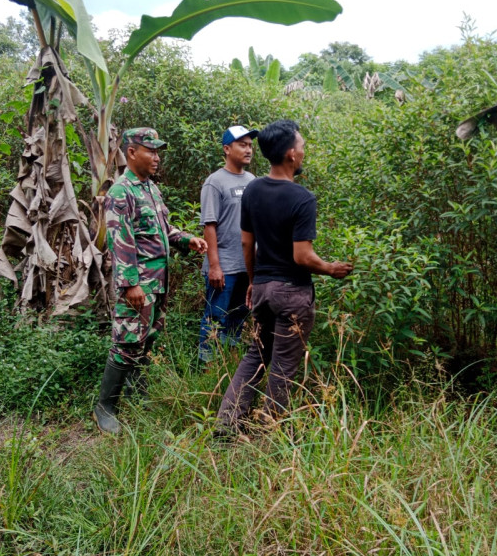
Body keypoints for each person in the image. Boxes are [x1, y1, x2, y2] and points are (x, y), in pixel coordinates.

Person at [215, 119, 353, 434]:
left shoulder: (251, 190)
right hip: (292, 293)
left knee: (256, 355)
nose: (304, 152)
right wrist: (331, 269)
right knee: (283, 367)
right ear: (291, 154)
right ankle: (272, 434)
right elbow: (302, 257)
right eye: (302, 147)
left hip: (263, 289)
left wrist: (254, 281)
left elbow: (247, 243)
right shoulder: (302, 198)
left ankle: (227, 422)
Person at [94, 127, 207, 435]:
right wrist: (131, 284)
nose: (157, 157)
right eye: (151, 151)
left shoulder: (150, 189)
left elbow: (164, 230)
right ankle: (105, 406)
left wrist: (186, 240)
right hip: (140, 282)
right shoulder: (121, 193)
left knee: (148, 338)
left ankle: (136, 391)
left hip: (158, 280)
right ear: (132, 153)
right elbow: (120, 242)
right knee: (127, 342)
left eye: (158, 152)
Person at [197, 125, 258, 366]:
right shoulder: (215, 182)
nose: (248, 149)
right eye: (242, 144)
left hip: (247, 267)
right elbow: (209, 225)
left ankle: (231, 366)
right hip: (224, 267)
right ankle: (209, 370)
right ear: (226, 149)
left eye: (250, 145)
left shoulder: (253, 181)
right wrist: (214, 266)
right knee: (215, 318)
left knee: (239, 318)